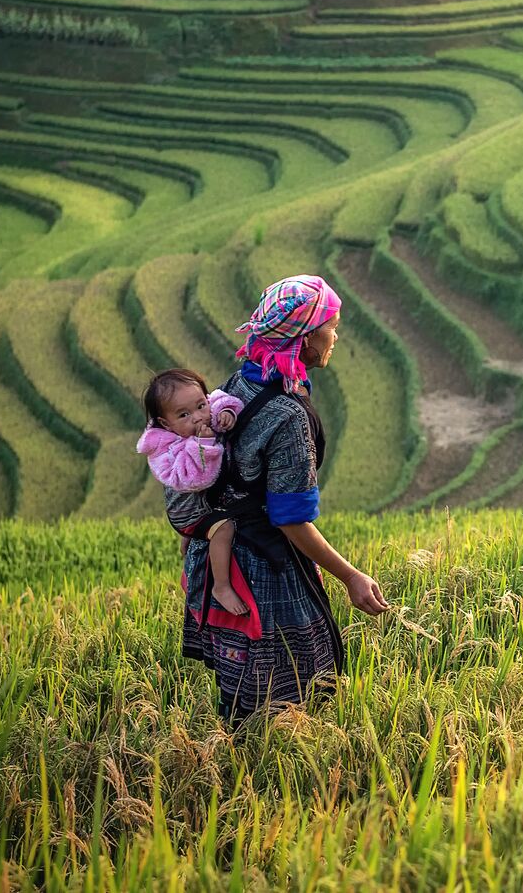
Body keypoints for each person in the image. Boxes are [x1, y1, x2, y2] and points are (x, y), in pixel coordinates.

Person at [173, 273, 391, 724]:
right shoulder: (289, 416)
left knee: (241, 693)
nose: (336, 334)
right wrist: (351, 576)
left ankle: (237, 767)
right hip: (262, 568)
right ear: (307, 338)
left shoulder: (239, 383)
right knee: (296, 690)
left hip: (221, 556)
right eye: (331, 325)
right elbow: (290, 519)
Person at [136, 368, 249, 616]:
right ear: (166, 424)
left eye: (200, 406)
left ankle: (195, 535)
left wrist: (227, 412)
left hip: (203, 501)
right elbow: (196, 481)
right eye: (184, 415)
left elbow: (220, 400)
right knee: (225, 527)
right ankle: (222, 586)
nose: (198, 417)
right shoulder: (163, 449)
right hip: (188, 509)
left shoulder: (206, 411)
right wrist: (204, 445)